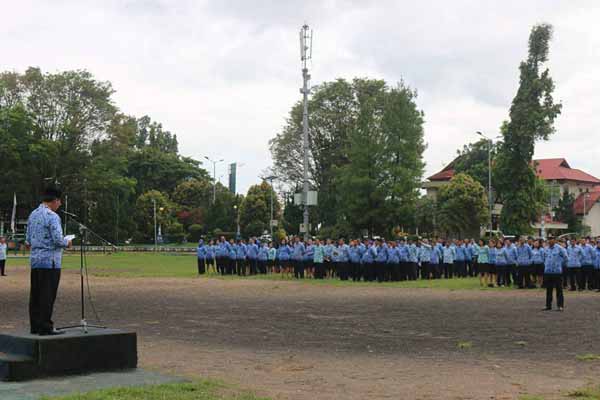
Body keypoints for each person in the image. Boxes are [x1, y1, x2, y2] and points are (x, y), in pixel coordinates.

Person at [26, 186, 73, 335]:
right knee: (47, 295)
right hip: (50, 262)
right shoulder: (52, 216)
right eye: (59, 202)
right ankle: (45, 326)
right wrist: (68, 242)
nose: (60, 205)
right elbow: (58, 240)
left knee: (36, 295)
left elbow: (27, 240)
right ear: (55, 200)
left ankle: (35, 325)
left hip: (35, 261)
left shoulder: (33, 215)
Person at [543, 235, 568, 311]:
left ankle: (560, 306)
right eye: (549, 239)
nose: (550, 241)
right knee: (549, 290)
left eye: (552, 239)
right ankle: (548, 305)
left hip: (557, 272)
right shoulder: (546, 249)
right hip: (548, 271)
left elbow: (566, 258)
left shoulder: (560, 249)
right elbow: (544, 258)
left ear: (555, 240)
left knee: (559, 290)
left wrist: (560, 265)